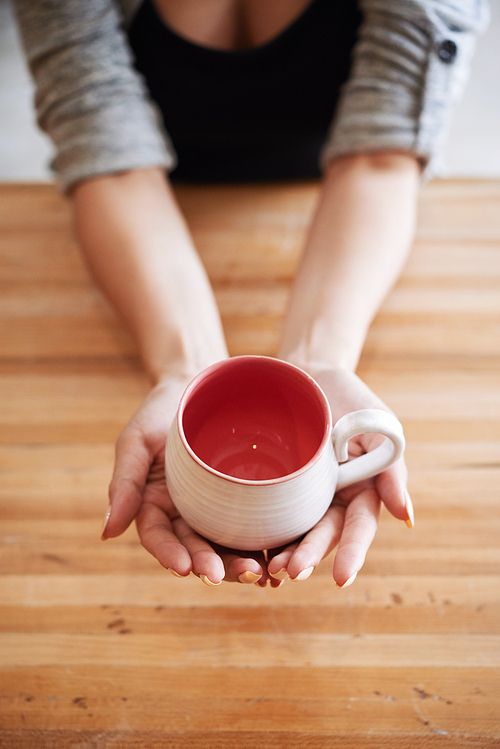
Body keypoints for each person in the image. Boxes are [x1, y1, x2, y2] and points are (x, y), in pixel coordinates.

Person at [14, 0, 489, 587]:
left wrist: (321, 361)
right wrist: (185, 370)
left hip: (334, 187)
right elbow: (111, 158)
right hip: (147, 201)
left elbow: (379, 156)